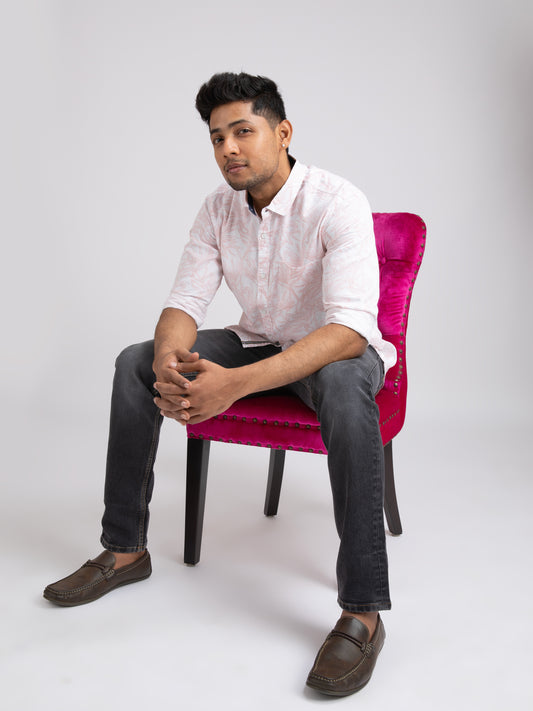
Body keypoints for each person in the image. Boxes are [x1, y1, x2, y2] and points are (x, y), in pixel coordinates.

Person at [44, 72, 397, 697]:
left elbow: (348, 330)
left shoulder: (337, 201)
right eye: (216, 137)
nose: (228, 148)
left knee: (345, 386)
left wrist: (232, 386)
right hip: (259, 340)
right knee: (135, 360)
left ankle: (363, 612)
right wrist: (168, 362)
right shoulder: (218, 208)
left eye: (243, 131)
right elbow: (184, 302)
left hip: (334, 353)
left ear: (282, 133)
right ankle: (124, 550)